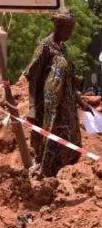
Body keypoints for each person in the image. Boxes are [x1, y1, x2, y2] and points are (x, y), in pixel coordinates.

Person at [24, 11, 90, 177]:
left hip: (66, 107)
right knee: (51, 137)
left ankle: (65, 171)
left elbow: (70, 81)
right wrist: (32, 107)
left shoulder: (64, 48)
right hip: (50, 107)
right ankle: (46, 172)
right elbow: (33, 77)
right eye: (69, 29)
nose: (70, 33)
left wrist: (81, 103)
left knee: (69, 138)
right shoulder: (44, 47)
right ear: (59, 26)